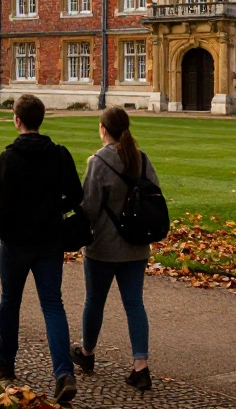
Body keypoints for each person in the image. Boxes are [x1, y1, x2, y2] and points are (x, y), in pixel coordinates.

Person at [0, 94, 81, 404]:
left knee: (10, 300)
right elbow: (76, 196)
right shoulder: (59, 155)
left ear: (17, 120)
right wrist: (51, 207)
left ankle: (6, 360)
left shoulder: (9, 158)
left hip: (16, 241)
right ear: (41, 119)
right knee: (52, 305)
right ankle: (64, 373)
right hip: (49, 240)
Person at [73, 106, 159, 392]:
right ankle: (141, 365)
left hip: (104, 247)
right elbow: (153, 196)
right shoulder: (142, 158)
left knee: (94, 302)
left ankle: (86, 353)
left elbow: (90, 208)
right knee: (134, 304)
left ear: (103, 129)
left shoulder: (98, 161)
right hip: (136, 246)